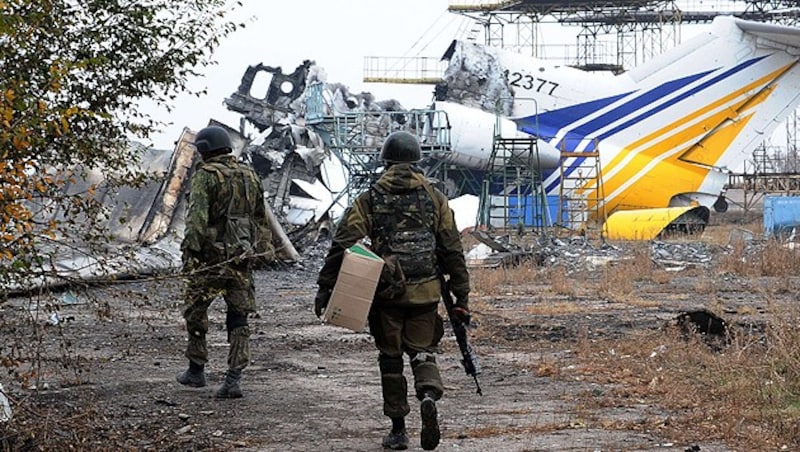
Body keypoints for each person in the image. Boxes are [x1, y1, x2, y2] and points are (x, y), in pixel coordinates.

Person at [314, 131, 471, 450]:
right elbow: (452, 249)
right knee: (423, 350)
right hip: (426, 291)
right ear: (417, 161)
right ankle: (427, 393)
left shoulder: (370, 197)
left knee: (390, 358)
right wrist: (461, 297)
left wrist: (325, 286)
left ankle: (398, 429)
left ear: (386, 160)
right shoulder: (434, 196)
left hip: (386, 294)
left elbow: (343, 242)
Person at [176, 125, 274, 399]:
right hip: (241, 260)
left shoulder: (205, 176)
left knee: (196, 311)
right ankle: (233, 379)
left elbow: (196, 220)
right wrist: (259, 251)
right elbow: (260, 219)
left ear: (205, 150)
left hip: (209, 261)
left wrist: (190, 253)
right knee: (239, 317)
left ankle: (196, 371)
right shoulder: (249, 174)